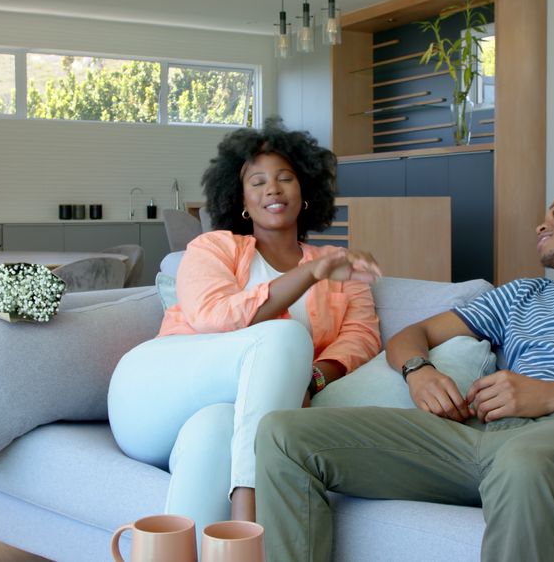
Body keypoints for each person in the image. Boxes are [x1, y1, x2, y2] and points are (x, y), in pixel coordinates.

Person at [255, 188, 554, 561]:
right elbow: (414, 335)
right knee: (283, 433)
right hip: (480, 438)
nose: (540, 225)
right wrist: (419, 372)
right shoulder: (524, 293)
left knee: (526, 460)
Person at [106, 117, 382, 535]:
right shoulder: (212, 247)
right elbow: (213, 317)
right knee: (285, 334)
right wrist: (309, 274)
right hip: (152, 392)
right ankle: (249, 515)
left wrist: (309, 380)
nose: (273, 189)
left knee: (216, 429)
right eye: (258, 182)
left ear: (305, 191)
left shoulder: (335, 264)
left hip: (220, 414)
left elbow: (360, 337)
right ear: (241, 200)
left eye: (285, 178)